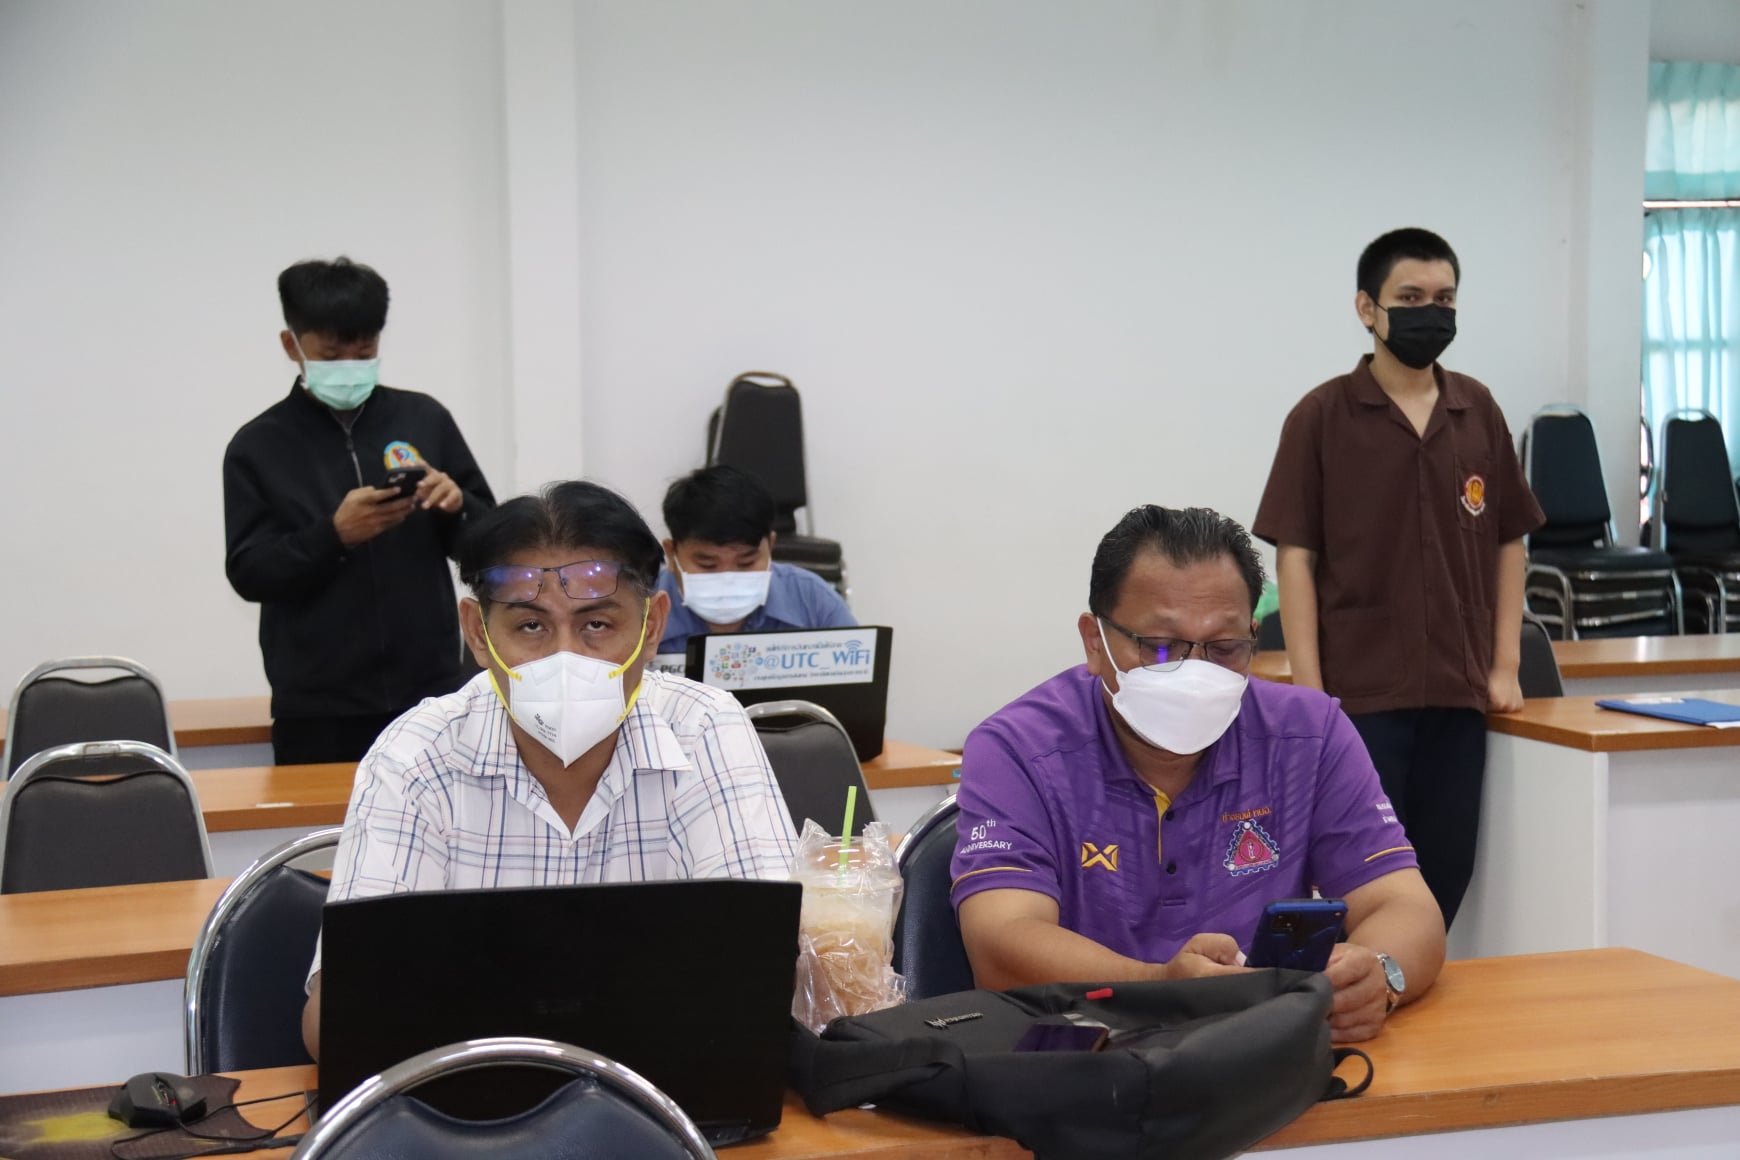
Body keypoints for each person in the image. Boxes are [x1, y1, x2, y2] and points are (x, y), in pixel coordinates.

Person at [301, 480, 798, 1057]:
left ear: (652, 627)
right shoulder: (416, 756)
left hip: (670, 1097)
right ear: (478, 633)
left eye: (597, 625)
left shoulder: (705, 729)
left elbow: (774, 972)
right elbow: (335, 1023)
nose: (566, 657)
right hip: (469, 1103)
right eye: (531, 626)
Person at [951, 506, 1443, 1044]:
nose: (1194, 672)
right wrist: (1161, 988)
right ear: (1095, 642)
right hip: (1080, 1067)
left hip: (1261, 1060)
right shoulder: (1017, 749)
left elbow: (1405, 905)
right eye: (1160, 647)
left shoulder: (1309, 734)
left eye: (1224, 649)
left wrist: (1379, 975)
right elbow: (1000, 941)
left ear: (1253, 636)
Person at [1252, 228, 1544, 929]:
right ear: (1367, 308)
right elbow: (1296, 558)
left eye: (1444, 299)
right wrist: (1310, 690)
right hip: (1361, 697)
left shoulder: (1477, 410)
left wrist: (1504, 665)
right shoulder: (1321, 416)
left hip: (1458, 690)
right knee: (1361, 877)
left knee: (1446, 871)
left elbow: (1510, 540)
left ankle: (1413, 983)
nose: (1429, 313)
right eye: (1410, 298)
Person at [224, 257, 496, 764]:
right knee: (328, 819)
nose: (351, 364)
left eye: (365, 350)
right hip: (319, 709)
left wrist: (456, 505)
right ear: (291, 345)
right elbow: (249, 572)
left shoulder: (424, 418)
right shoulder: (258, 446)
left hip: (432, 694)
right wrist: (334, 535)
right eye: (331, 353)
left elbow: (491, 545)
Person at [653, 465, 856, 659]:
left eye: (746, 562)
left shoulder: (812, 600)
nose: (728, 579)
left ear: (770, 546)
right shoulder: (643, 607)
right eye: (708, 565)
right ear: (671, 554)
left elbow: (858, 671)